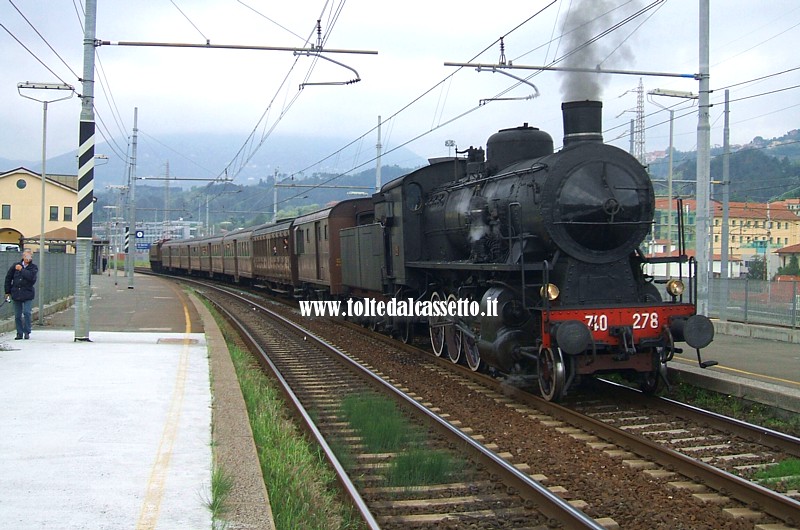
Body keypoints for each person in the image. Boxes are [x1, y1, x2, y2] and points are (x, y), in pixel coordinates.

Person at [4, 249, 38, 340]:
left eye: (29, 257)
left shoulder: (33, 267)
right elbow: (8, 278)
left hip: (27, 293)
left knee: (27, 312)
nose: (27, 258)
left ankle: (27, 331)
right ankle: (19, 332)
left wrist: (22, 270)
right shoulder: (15, 266)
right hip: (16, 293)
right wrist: (7, 291)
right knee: (17, 315)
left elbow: (32, 278)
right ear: (23, 257)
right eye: (26, 256)